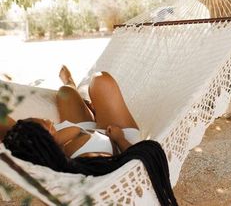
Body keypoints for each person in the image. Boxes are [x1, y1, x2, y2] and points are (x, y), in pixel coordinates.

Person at [1, 66, 178, 206]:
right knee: (101, 79)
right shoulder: (86, 165)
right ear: (47, 137)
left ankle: (72, 85)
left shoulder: (45, 149)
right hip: (116, 134)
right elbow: (133, 161)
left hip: (85, 131)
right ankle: (89, 104)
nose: (50, 120)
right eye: (47, 123)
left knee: (65, 92)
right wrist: (119, 138)